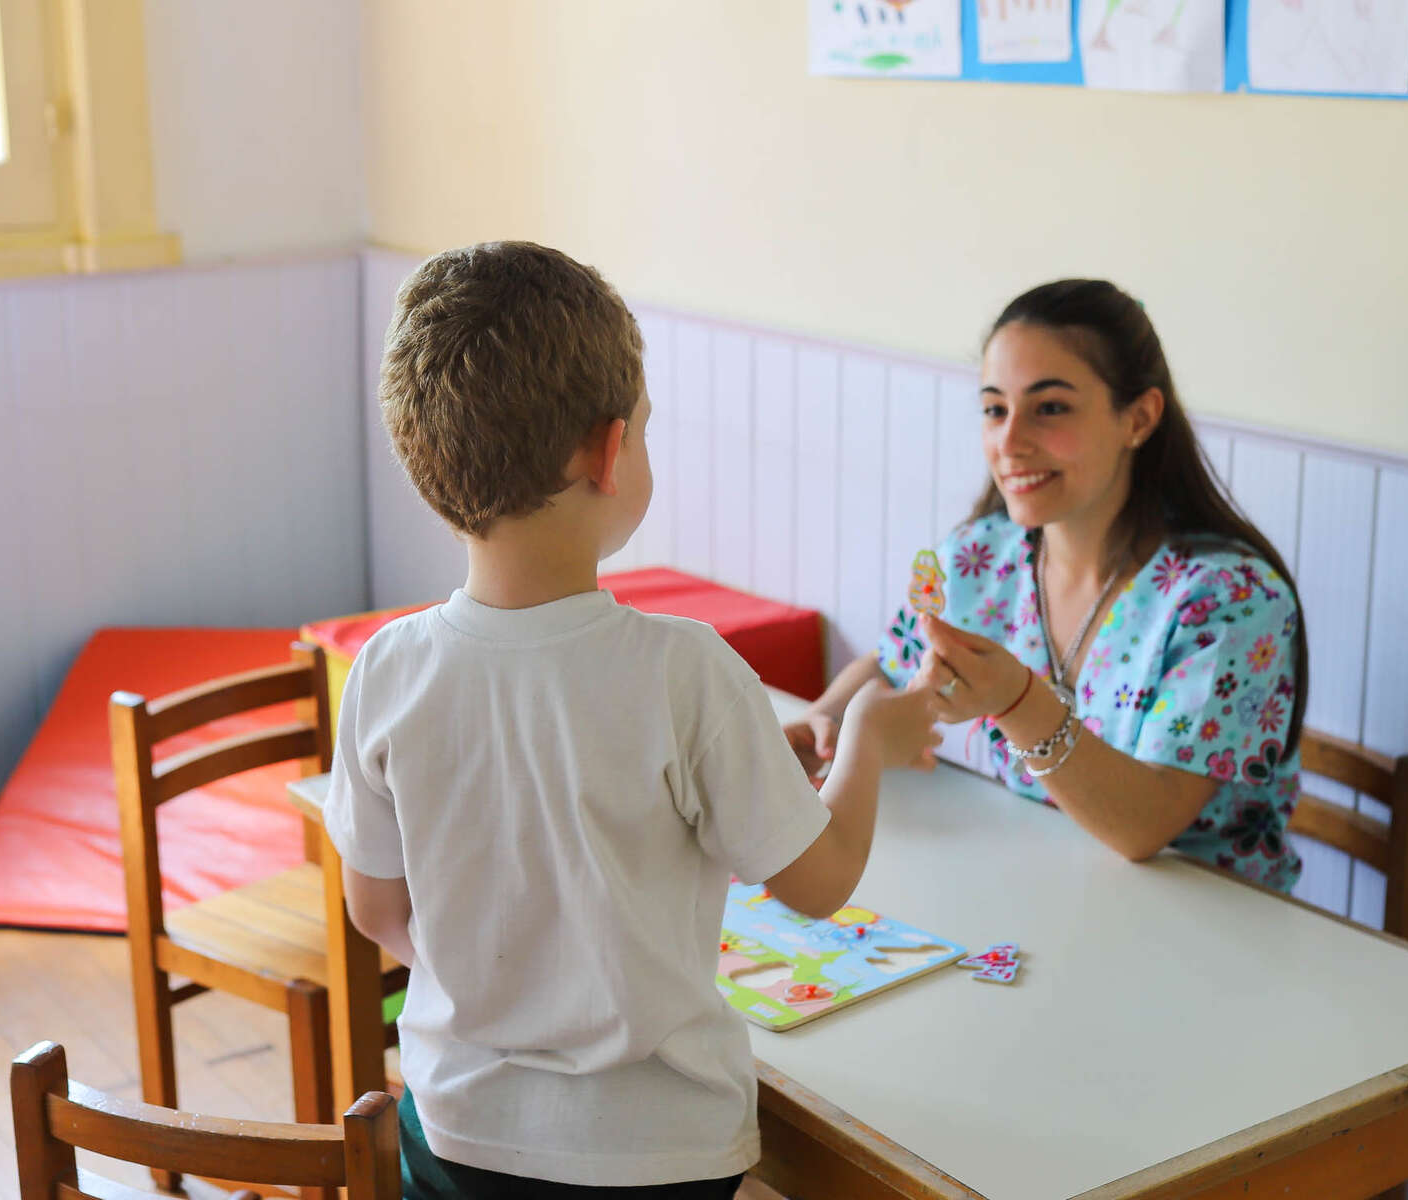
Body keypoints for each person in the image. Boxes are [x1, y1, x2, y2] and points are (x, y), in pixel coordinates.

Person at [322, 241, 944, 1198]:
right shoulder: (683, 667)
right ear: (608, 452)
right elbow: (819, 885)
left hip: (456, 1128)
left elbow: (380, 912)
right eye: (644, 429)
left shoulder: (387, 668)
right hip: (652, 1156)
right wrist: (865, 740)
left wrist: (518, 980)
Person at [785, 279, 1310, 892]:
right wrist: (822, 722)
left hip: (1212, 931)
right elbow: (894, 665)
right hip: (1033, 893)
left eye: (1051, 408)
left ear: (1138, 419)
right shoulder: (979, 554)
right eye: (994, 409)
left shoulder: (1230, 601)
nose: (1009, 442)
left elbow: (1144, 827)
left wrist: (1017, 701)